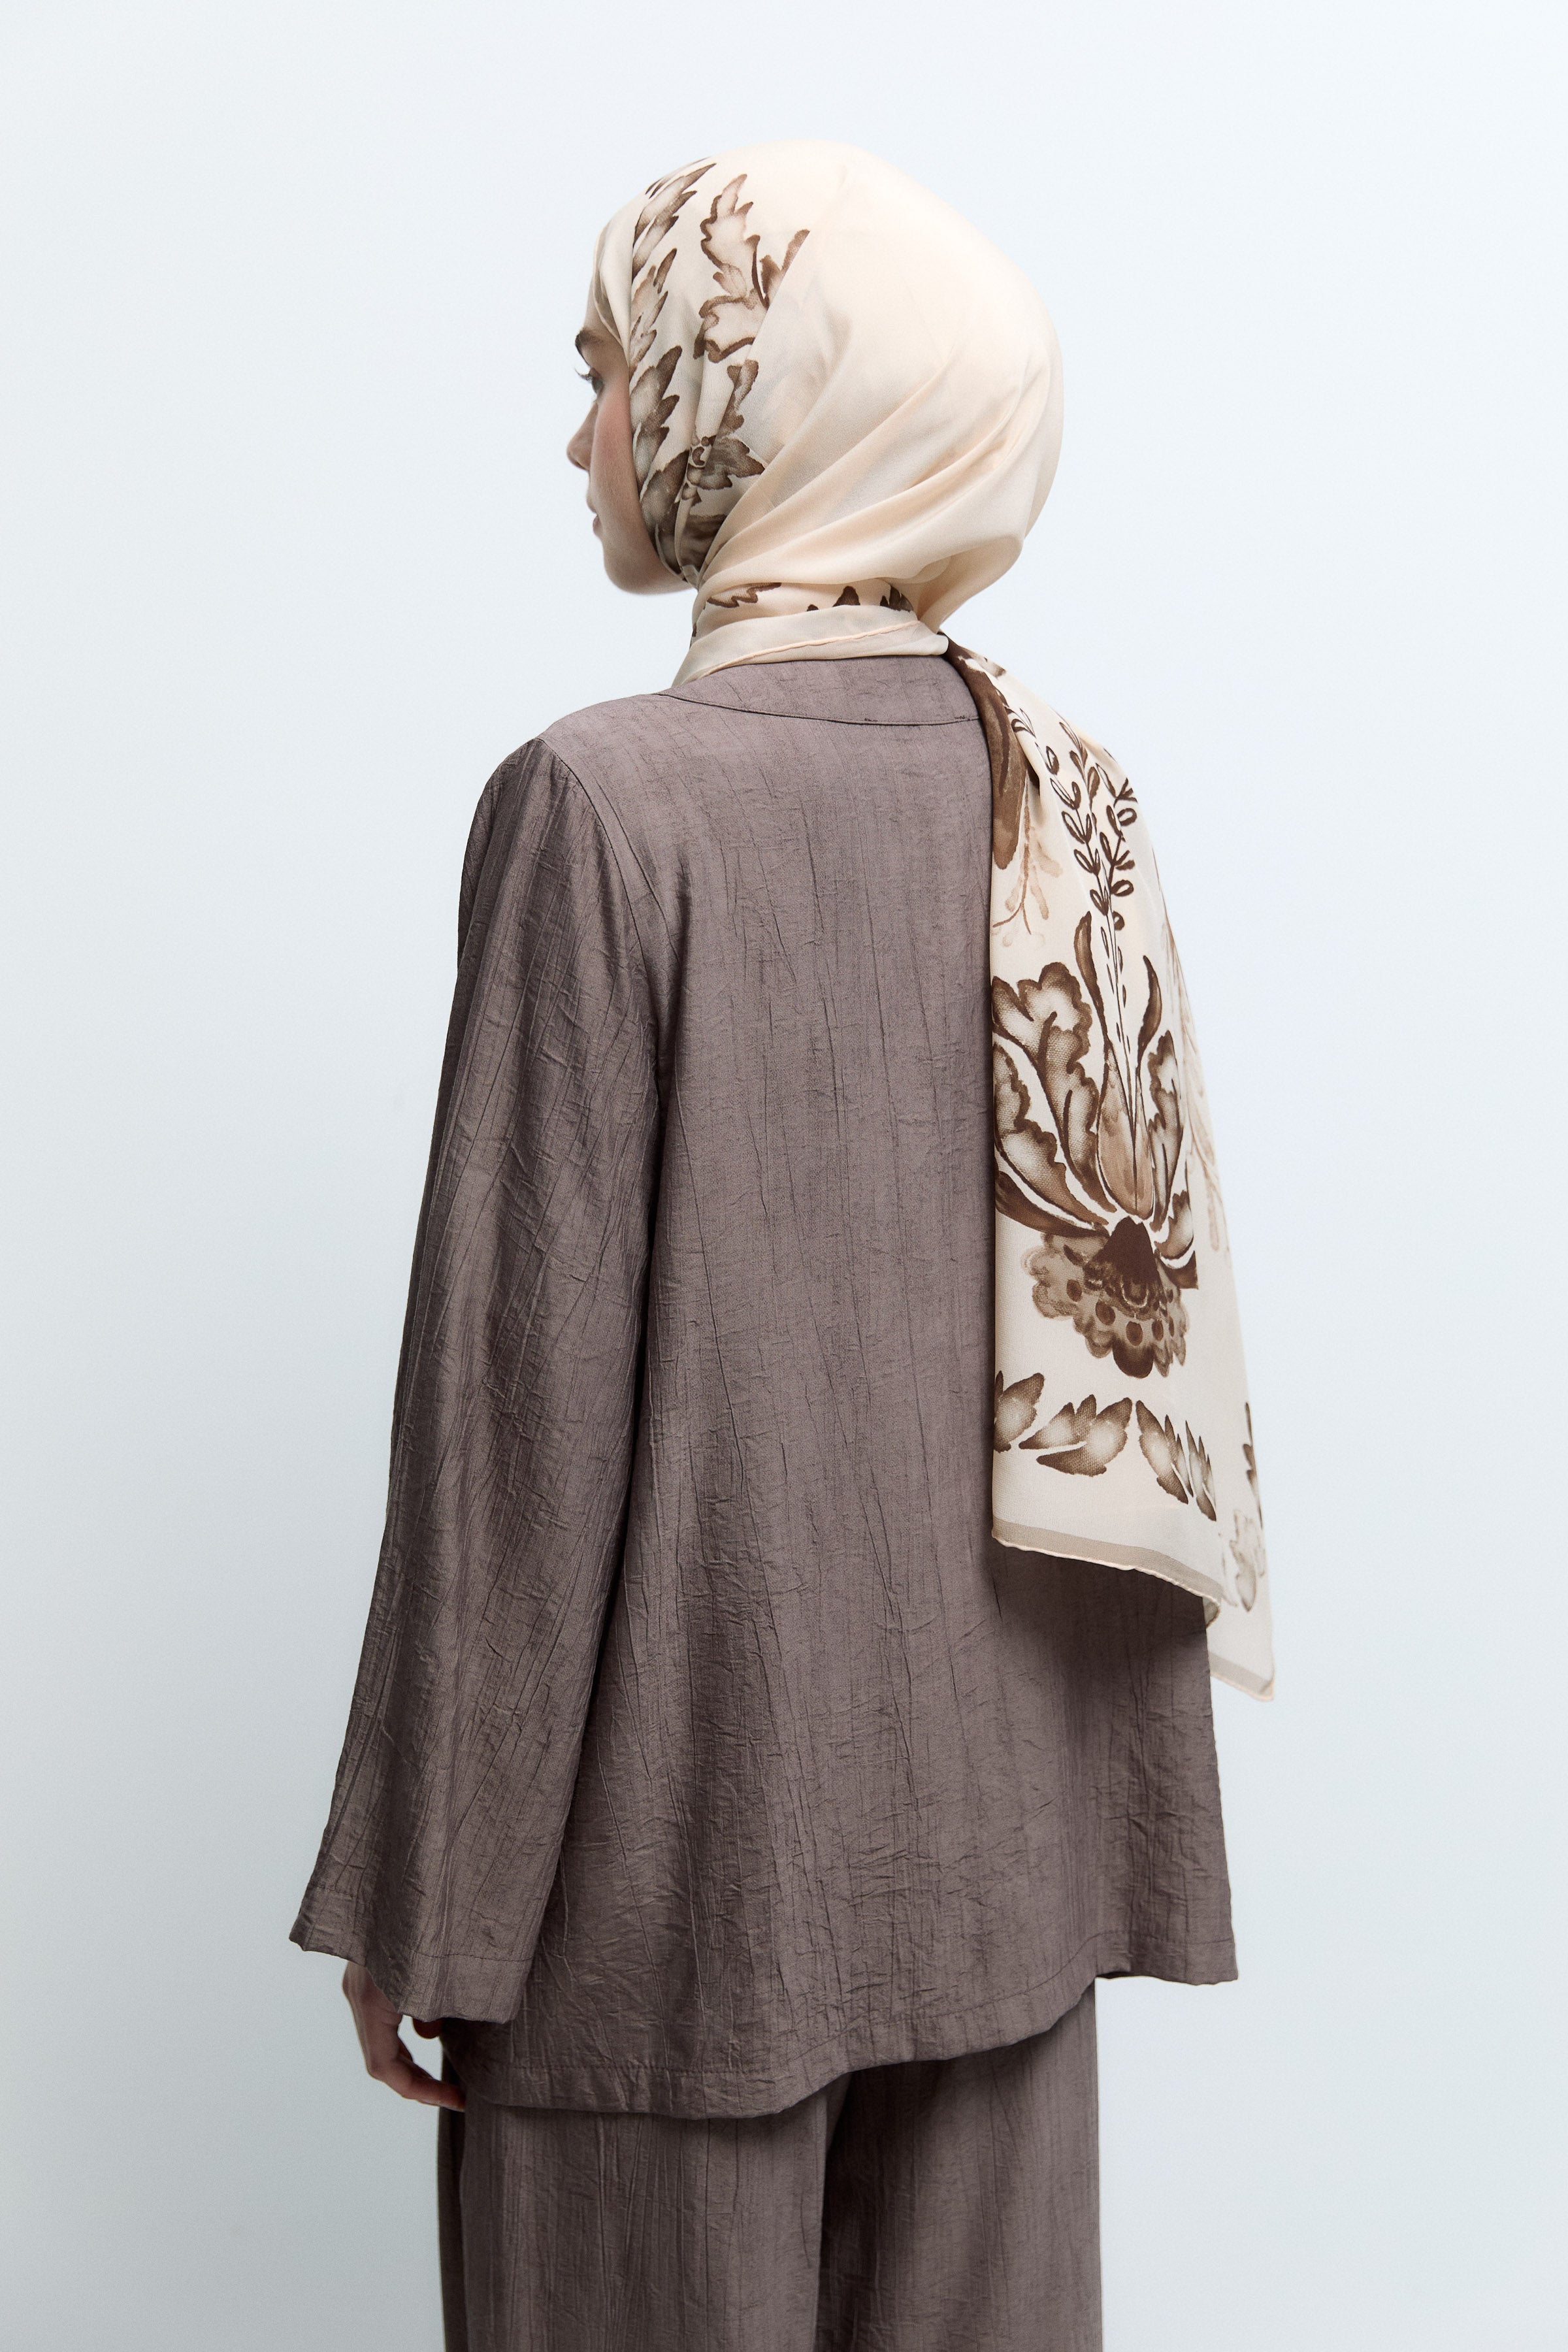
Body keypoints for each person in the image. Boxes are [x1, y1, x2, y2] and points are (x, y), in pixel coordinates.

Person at [293, 139, 1274, 2352]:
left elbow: (518, 1416)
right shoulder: (1071, 800)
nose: (578, 436)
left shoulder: (607, 800)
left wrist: (430, 1894)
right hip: (1007, 1867)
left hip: (666, 1898)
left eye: (610, 373)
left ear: (755, 399)